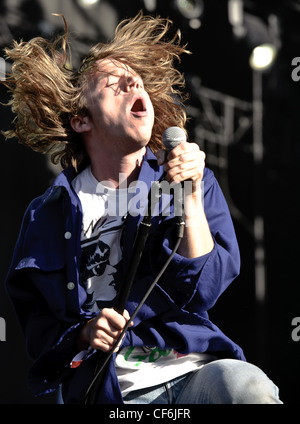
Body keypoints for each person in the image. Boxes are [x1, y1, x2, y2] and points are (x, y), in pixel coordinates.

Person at [3, 12, 282, 404]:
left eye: (135, 78)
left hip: (194, 373)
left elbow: (205, 289)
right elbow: (37, 329)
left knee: (245, 387)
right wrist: (84, 333)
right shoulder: (47, 212)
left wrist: (191, 196)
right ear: (82, 119)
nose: (133, 82)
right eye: (113, 82)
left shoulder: (192, 180)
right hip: (107, 391)